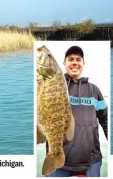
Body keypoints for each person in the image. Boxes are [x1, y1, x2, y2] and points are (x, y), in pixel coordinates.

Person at [45, 45, 108, 177]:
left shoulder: (94, 90)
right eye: (70, 59)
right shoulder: (54, 88)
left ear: (83, 63)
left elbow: (106, 120)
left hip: (92, 160)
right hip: (59, 159)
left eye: (78, 59)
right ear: (64, 63)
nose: (75, 62)